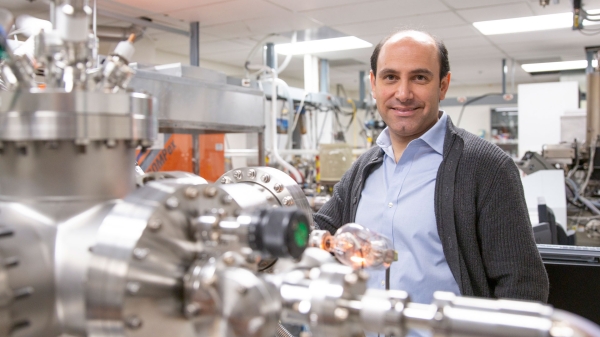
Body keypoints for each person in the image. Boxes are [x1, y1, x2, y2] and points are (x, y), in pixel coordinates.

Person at [313, 30, 549, 307]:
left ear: (443, 85)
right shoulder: (363, 168)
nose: (403, 93)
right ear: (374, 84)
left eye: (419, 77)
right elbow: (316, 233)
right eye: (391, 77)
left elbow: (522, 286)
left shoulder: (486, 167)